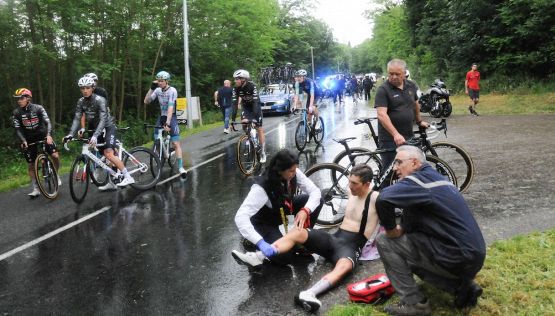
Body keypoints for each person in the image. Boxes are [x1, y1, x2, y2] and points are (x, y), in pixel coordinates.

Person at [232, 164, 379, 312]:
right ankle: (258, 256)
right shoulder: (351, 191)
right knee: (298, 232)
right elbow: (316, 193)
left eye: (354, 183)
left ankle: (309, 294)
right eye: (349, 181)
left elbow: (391, 222)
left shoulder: (377, 199)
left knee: (344, 268)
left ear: (367, 184)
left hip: (350, 248)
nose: (349, 186)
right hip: (334, 239)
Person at [376, 145, 486, 316]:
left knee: (386, 242)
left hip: (456, 256)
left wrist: (391, 230)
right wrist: (403, 228)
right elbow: (414, 220)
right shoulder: (436, 180)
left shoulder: (418, 182)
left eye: (398, 162)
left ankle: (415, 305)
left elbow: (383, 198)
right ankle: (462, 287)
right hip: (471, 256)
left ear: (414, 163)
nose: (395, 167)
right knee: (410, 245)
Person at [232, 149, 323, 265]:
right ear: (280, 170)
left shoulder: (293, 172)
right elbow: (240, 216)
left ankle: (300, 242)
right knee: (285, 257)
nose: (294, 173)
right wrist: (259, 242)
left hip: (281, 210)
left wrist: (305, 210)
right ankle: (255, 244)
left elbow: (315, 191)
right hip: (263, 222)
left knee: (317, 200)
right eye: (291, 171)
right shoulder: (261, 187)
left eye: (295, 169)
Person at [64, 76, 135, 187]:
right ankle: (113, 180)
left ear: (92, 88)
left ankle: (128, 177)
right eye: (82, 88)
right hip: (96, 128)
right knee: (105, 156)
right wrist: (70, 134)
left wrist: (95, 136)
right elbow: (77, 118)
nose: (85, 90)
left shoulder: (100, 100)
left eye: (87, 88)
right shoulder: (81, 101)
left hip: (107, 127)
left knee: (108, 154)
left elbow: (103, 119)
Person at [375, 59, 429, 169]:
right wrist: (395, 134)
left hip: (408, 135)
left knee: (411, 169)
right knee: (390, 173)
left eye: (397, 74)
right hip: (389, 139)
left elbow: (415, 104)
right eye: (391, 74)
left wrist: (419, 121)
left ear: (404, 73)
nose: (394, 77)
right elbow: (381, 114)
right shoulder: (383, 90)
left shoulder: (411, 85)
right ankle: (383, 186)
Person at [12, 88, 61, 197]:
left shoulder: (38, 108)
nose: (19, 101)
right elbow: (18, 129)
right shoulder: (16, 113)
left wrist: (48, 135)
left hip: (43, 135)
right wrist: (23, 141)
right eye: (17, 99)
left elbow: (48, 122)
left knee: (55, 156)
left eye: (21, 98)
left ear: (28, 98)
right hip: (29, 139)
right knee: (30, 165)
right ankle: (36, 188)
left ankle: (56, 174)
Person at [144, 70, 187, 176]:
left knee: (176, 143)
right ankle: (162, 156)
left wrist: (167, 123)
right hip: (162, 116)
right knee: (156, 139)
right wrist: (151, 88)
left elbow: (171, 108)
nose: (159, 83)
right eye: (158, 81)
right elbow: (146, 101)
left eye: (161, 81)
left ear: (167, 81)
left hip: (171, 117)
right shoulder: (158, 90)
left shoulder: (172, 91)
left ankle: (181, 167)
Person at [232, 69, 267, 163]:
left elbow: (255, 103)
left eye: (237, 79)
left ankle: (263, 151)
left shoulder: (252, 86)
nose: (235, 81)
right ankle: (250, 136)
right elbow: (234, 104)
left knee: (259, 128)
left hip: (255, 107)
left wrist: (253, 118)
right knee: (244, 124)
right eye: (235, 79)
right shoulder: (236, 88)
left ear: (244, 79)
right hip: (246, 107)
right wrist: (232, 120)